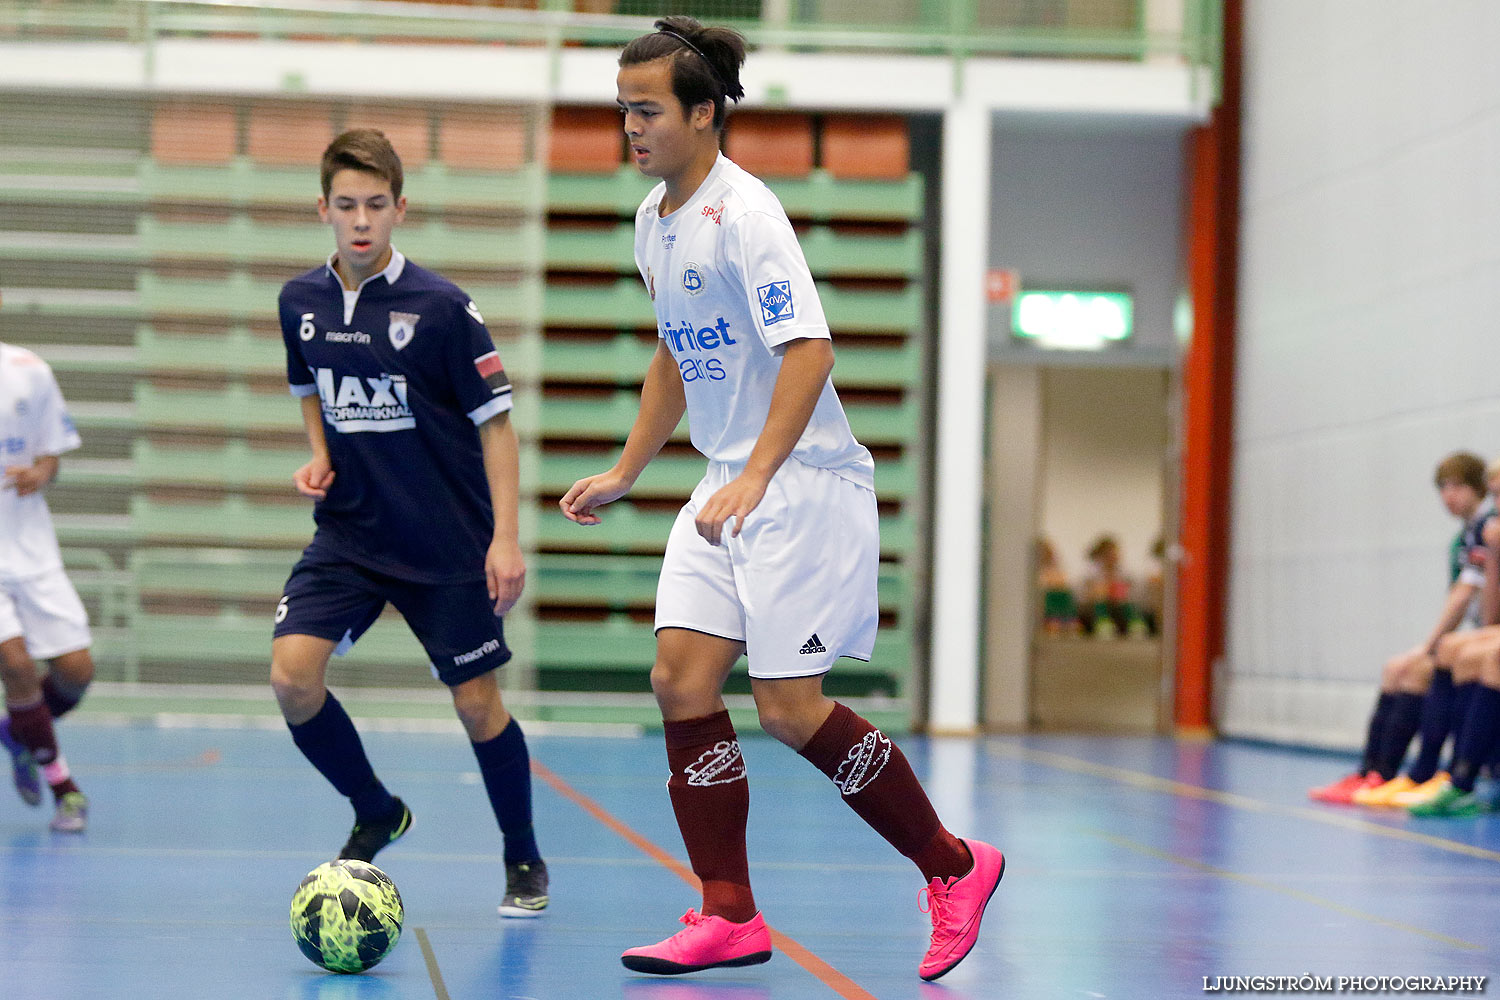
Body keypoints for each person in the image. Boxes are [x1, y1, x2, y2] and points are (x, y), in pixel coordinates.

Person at [560, 18, 1003, 982]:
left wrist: (759, 473)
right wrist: (629, 469)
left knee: (790, 709)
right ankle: (729, 913)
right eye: (622, 110)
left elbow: (810, 349)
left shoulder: (747, 217)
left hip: (799, 483)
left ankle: (954, 867)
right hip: (729, 480)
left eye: (647, 110)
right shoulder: (654, 221)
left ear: (704, 113)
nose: (630, 127)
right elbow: (677, 357)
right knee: (680, 680)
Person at [270, 129, 547, 917]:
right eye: (347, 205)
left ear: (400, 209)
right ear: (324, 208)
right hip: (350, 536)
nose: (362, 221)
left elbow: (497, 425)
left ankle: (523, 858)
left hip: (446, 541)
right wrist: (319, 456)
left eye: (377, 205)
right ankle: (375, 808)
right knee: (292, 677)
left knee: (476, 705)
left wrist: (504, 537)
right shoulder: (300, 302)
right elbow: (309, 389)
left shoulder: (442, 309)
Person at [1308, 451, 1492, 805]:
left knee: (1420, 668)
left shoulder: (1485, 530)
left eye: (1457, 487)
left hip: (1480, 637)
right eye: (1443, 488)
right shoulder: (1467, 536)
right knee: (1396, 668)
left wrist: (1432, 645)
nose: (1448, 496)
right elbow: (1461, 594)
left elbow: (1465, 596)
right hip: (1475, 633)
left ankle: (1429, 774)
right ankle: (1373, 772)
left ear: (1477, 488)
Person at [0, 295, 94, 834]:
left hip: (31, 549)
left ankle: (18, 732)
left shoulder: (29, 372)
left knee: (76, 672)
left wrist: (42, 473)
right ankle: (65, 788)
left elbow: (51, 454)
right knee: (14, 664)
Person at [1078, 534, 1134, 637]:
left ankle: (1133, 624)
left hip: (1117, 603)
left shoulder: (1122, 571)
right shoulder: (1092, 570)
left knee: (1127, 606)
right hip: (1096, 603)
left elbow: (1126, 589)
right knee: (1100, 602)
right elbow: (1089, 593)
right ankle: (1102, 623)